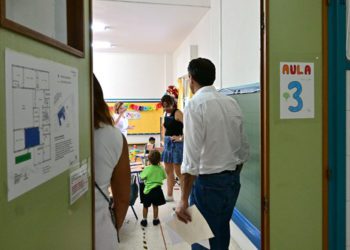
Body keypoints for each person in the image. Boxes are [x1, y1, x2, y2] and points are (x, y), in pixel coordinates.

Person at [175, 58, 249, 250]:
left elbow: (190, 159)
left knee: (202, 239)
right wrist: (230, 176)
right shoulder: (231, 102)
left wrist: (183, 200)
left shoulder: (195, 104)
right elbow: (243, 150)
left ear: (191, 79)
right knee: (221, 232)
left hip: (208, 185)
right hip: (232, 182)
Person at [93, 74, 131, 250]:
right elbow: (123, 198)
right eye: (121, 106)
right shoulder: (111, 133)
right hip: (101, 234)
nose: (123, 108)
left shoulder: (114, 132)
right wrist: (114, 226)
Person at [161, 94, 184, 202]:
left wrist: (181, 138)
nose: (166, 108)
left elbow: (189, 127)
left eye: (168, 106)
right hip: (167, 144)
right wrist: (163, 140)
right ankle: (169, 195)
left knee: (178, 172)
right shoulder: (165, 113)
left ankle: (184, 197)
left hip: (176, 145)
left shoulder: (178, 113)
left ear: (172, 104)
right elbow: (164, 128)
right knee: (168, 171)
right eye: (164, 106)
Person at [139, 150, 167, 227]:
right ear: (159, 160)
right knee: (155, 206)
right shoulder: (161, 168)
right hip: (157, 191)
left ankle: (144, 220)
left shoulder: (147, 168)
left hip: (148, 191)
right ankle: (155, 220)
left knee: (145, 206)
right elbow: (164, 177)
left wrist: (144, 170)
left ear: (149, 159)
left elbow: (141, 177)